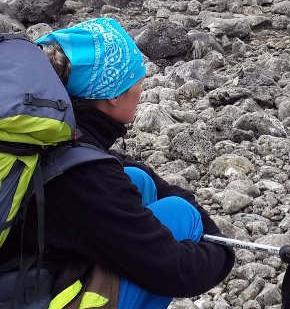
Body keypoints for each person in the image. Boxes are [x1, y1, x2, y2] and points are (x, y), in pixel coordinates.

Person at [2, 17, 235, 309]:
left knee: (138, 179)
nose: (141, 87)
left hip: (20, 270)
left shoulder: (46, 130)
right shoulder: (89, 181)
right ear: (112, 96)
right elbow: (178, 271)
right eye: (137, 79)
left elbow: (120, 166)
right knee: (180, 215)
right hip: (24, 296)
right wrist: (221, 247)